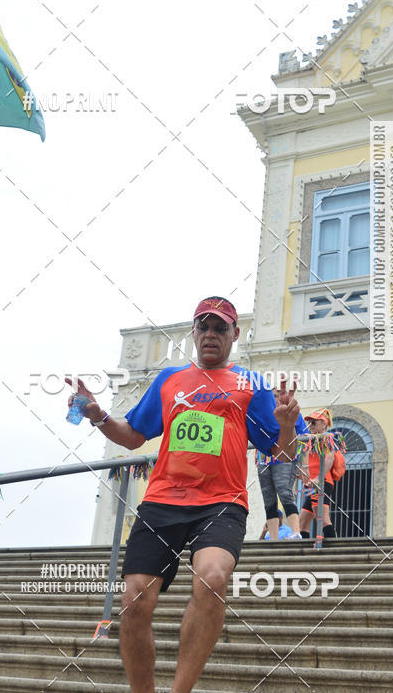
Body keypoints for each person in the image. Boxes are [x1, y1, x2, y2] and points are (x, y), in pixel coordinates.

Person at [67, 296, 301, 693]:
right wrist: (98, 415)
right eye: (203, 326)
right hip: (163, 501)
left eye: (220, 327)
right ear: (193, 332)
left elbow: (282, 454)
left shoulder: (252, 385)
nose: (210, 334)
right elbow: (133, 436)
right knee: (135, 599)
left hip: (221, 503)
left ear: (234, 335)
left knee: (212, 578)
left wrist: (287, 426)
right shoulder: (169, 380)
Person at [255, 396, 306, 540]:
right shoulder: (262, 412)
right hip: (264, 458)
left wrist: (305, 465)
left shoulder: (291, 411)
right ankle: (273, 537)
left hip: (285, 458)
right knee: (268, 499)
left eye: (277, 395)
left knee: (285, 493)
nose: (273, 398)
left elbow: (304, 436)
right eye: (271, 395)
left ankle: (296, 532)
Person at [298, 408, 337, 540]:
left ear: (324, 424)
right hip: (313, 484)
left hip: (321, 483)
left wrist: (318, 478)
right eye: (309, 423)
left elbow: (330, 458)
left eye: (313, 422)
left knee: (323, 520)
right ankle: (305, 550)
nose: (310, 426)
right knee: (302, 523)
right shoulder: (311, 439)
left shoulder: (326, 438)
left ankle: (334, 549)